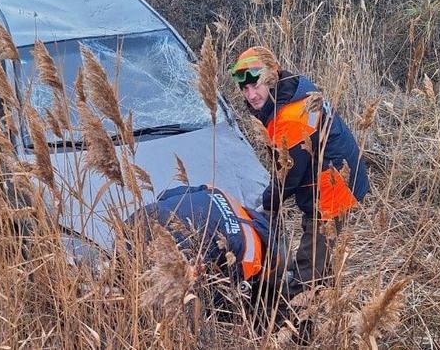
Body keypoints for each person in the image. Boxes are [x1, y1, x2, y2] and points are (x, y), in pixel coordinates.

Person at [228, 46, 369, 295]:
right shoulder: (289, 91)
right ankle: (324, 290)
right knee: (319, 246)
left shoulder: (290, 115)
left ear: (272, 77)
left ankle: (301, 311)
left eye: (256, 85)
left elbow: (288, 174)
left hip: (336, 184)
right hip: (327, 176)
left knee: (312, 256)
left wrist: (268, 204)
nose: (251, 95)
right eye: (245, 89)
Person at [126, 184, 286, 292]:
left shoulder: (222, 194)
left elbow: (165, 194)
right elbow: (216, 294)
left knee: (121, 274)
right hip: (173, 253)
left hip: (140, 218)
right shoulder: (251, 255)